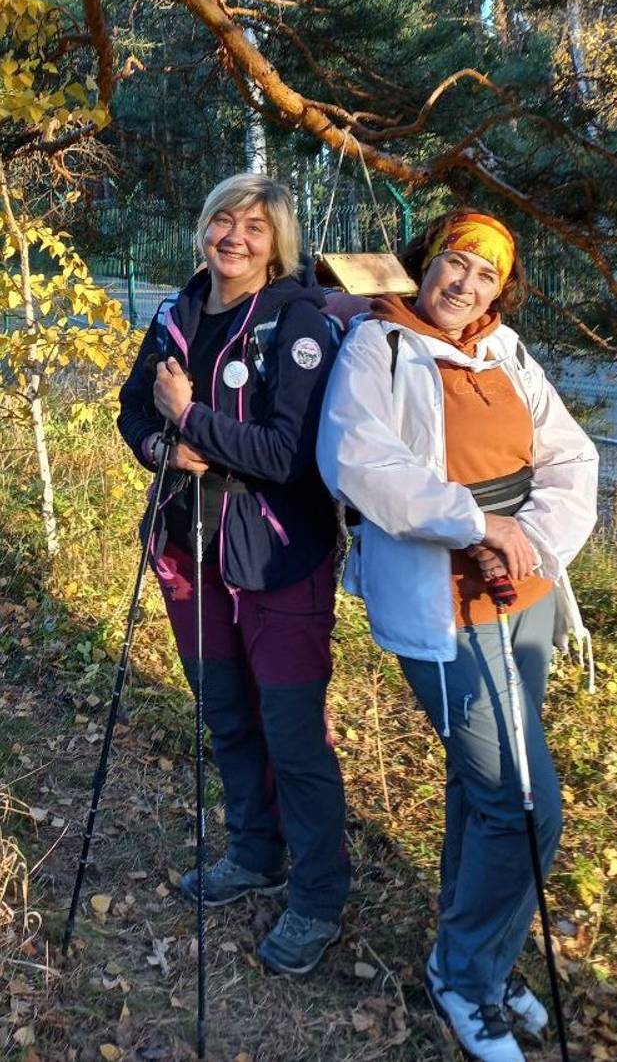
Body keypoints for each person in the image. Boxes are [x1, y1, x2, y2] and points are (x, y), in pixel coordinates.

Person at [317, 210, 598, 1060]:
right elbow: (360, 460)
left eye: (484, 273)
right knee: (522, 804)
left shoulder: (505, 350)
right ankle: (464, 974)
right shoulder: (380, 344)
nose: (464, 283)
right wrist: (475, 521)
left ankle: (488, 952)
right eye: (453, 262)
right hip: (442, 607)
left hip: (529, 594)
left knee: (484, 796)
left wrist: (531, 537)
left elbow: (571, 458)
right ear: (424, 263)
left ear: (498, 289)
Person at [118, 173, 350, 976]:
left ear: (276, 242)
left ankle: (318, 895)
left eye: (256, 225)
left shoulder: (298, 320)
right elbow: (130, 409)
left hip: (277, 554)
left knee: (292, 733)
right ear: (204, 227)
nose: (236, 236)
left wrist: (190, 419)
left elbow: (288, 454)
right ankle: (255, 851)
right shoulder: (176, 311)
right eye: (224, 217)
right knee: (225, 711)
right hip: (190, 547)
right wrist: (161, 445)